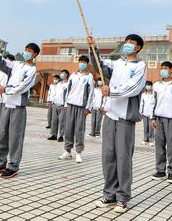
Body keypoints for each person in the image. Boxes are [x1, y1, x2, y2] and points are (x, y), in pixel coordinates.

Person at [90, 34, 147, 215]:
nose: (128, 45)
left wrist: (111, 91)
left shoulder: (140, 66)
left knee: (123, 159)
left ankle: (123, 198)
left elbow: (133, 88)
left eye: (132, 43)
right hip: (110, 115)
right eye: (127, 42)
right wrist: (93, 47)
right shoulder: (117, 63)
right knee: (108, 157)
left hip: (125, 118)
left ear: (138, 48)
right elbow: (100, 64)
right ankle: (110, 194)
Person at [0, 40, 39, 178]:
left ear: (35, 55)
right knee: (2, 135)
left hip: (18, 107)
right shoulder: (16, 65)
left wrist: (6, 89)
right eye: (26, 50)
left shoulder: (32, 70)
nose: (26, 53)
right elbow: (2, 63)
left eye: (30, 51)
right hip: (6, 104)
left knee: (15, 137)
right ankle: (0, 163)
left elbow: (22, 87)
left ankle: (13, 165)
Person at [150, 61, 172, 183]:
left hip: (171, 119)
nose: (163, 70)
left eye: (166, 68)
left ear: (171, 70)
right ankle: (160, 170)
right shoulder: (156, 85)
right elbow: (153, 102)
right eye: (161, 68)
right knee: (159, 146)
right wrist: (152, 118)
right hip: (158, 119)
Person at [59, 55, 95, 163]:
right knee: (68, 128)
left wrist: (88, 108)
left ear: (87, 64)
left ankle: (78, 153)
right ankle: (67, 151)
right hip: (70, 105)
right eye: (80, 61)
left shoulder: (89, 76)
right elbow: (68, 90)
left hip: (81, 107)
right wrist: (65, 105)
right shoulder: (73, 75)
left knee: (79, 130)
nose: (82, 63)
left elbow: (91, 93)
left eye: (84, 62)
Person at [48, 71, 68, 141]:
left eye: (64, 74)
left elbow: (67, 96)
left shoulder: (68, 84)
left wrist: (66, 105)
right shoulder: (58, 84)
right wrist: (52, 103)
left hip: (63, 106)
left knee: (62, 121)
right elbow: (54, 93)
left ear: (67, 75)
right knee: (54, 120)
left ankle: (61, 136)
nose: (62, 75)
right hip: (56, 104)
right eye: (61, 73)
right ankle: (53, 135)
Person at [140, 81, 155, 145]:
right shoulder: (143, 95)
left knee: (151, 127)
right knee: (145, 127)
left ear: (151, 86)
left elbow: (155, 105)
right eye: (146, 85)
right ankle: (145, 139)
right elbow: (141, 104)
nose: (148, 86)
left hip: (151, 114)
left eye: (149, 85)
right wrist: (140, 112)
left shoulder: (153, 95)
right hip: (145, 113)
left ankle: (151, 140)